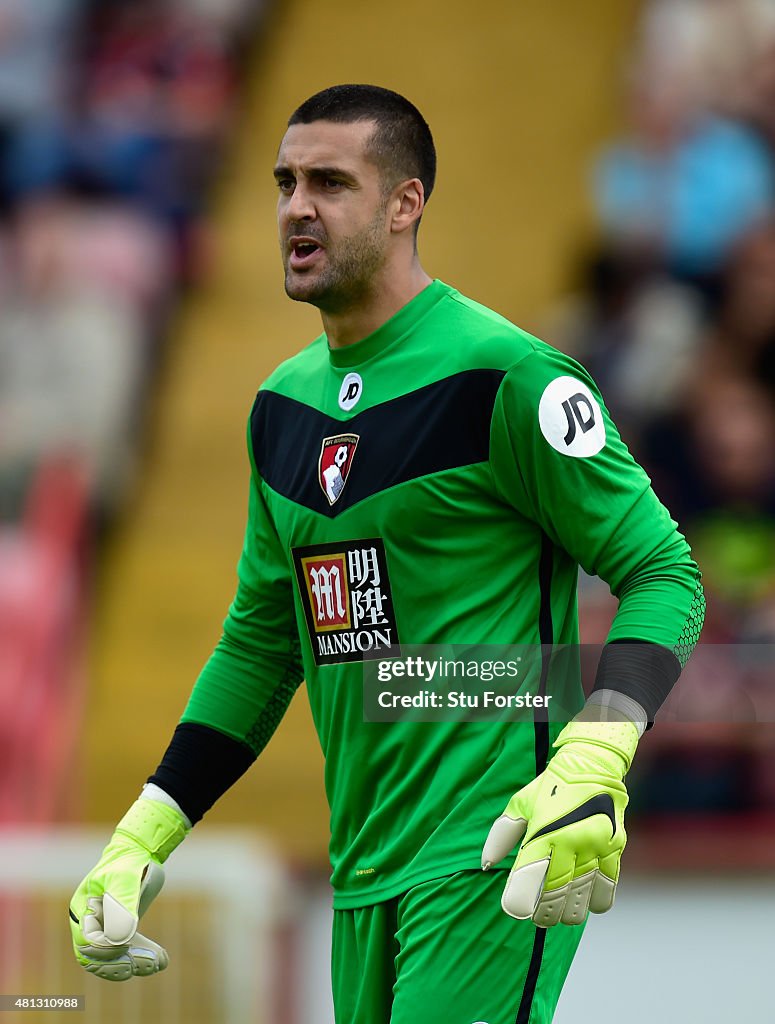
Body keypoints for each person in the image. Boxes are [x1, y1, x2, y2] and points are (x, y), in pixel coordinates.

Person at [69, 85, 705, 1023]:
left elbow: (663, 573)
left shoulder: (510, 377)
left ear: (405, 204)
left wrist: (596, 753)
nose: (296, 206)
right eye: (284, 182)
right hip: (362, 874)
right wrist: (147, 828)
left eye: (330, 181)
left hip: (490, 850)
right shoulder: (280, 410)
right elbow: (261, 643)